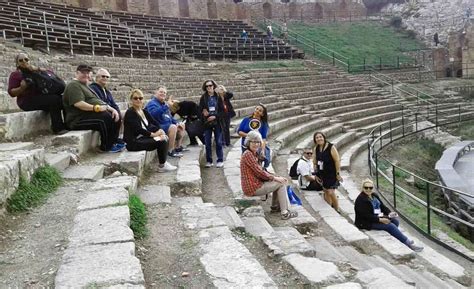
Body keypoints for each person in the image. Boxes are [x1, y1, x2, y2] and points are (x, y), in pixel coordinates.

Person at [63, 64, 124, 153]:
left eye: (88, 73)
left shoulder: (85, 86)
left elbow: (97, 100)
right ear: (77, 73)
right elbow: (78, 103)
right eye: (83, 73)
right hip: (76, 120)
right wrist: (96, 108)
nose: (86, 75)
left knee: (111, 115)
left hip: (85, 115)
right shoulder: (73, 85)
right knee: (104, 117)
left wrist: (112, 109)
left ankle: (113, 142)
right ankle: (106, 147)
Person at [240, 130, 298, 220]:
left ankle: (275, 207)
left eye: (258, 142)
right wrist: (275, 178)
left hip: (254, 184)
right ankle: (285, 212)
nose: (256, 144)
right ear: (248, 142)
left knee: (278, 180)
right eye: (253, 142)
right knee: (281, 183)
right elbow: (259, 172)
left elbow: (262, 170)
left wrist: (275, 177)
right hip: (252, 187)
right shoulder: (248, 154)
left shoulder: (253, 154)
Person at [354, 179, 423, 252]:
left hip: (377, 216)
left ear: (372, 188)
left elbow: (383, 207)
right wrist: (380, 220)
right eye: (366, 187)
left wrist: (389, 213)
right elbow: (366, 216)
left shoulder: (374, 195)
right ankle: (408, 244)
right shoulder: (360, 200)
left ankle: (399, 237)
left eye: (370, 187)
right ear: (362, 188)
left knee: (395, 221)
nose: (368, 189)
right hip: (366, 222)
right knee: (390, 226)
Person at [8, 52, 67, 135]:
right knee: (54, 100)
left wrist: (38, 69)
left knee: (64, 99)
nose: (24, 62)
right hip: (27, 101)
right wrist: (21, 88)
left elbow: (51, 75)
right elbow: (11, 92)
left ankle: (69, 124)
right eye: (21, 60)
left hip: (42, 96)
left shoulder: (36, 70)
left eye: (26, 59)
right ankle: (58, 128)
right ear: (17, 64)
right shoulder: (15, 75)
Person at [123, 89, 176, 173]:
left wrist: (160, 130)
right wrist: (154, 135)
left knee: (164, 137)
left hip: (143, 138)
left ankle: (163, 163)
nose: (138, 100)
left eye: (140, 98)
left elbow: (154, 122)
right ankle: (162, 166)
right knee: (161, 141)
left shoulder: (143, 111)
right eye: (135, 98)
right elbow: (138, 129)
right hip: (134, 142)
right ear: (131, 100)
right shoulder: (130, 112)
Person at [145, 86, 186, 158]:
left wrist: (177, 123)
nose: (163, 94)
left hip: (165, 125)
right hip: (157, 127)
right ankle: (170, 151)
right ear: (156, 93)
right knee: (173, 127)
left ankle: (178, 147)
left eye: (164, 93)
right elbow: (153, 115)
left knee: (181, 125)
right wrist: (167, 106)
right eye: (161, 92)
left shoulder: (164, 104)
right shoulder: (152, 103)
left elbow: (170, 117)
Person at [89, 68, 124, 144]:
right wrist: (113, 111)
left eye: (107, 77)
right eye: (103, 76)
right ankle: (109, 142)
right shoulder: (93, 88)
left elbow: (113, 103)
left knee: (119, 114)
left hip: (109, 110)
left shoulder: (106, 90)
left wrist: (117, 111)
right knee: (109, 116)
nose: (105, 78)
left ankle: (115, 138)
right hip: (100, 111)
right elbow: (99, 102)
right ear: (97, 77)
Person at [313, 131, 341, 211]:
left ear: (324, 138)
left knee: (331, 192)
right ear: (315, 140)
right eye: (317, 138)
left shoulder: (331, 147)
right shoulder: (316, 148)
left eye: (320, 137)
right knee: (325, 191)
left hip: (331, 173)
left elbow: (337, 160)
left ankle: (337, 209)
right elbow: (314, 162)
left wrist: (338, 173)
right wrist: (315, 174)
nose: (319, 139)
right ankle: (329, 208)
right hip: (322, 173)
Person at [199, 79, 224, 168]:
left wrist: (215, 116)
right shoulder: (203, 97)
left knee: (218, 141)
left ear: (214, 86)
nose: (209, 87)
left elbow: (222, 111)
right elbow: (200, 110)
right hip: (207, 122)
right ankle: (209, 161)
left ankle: (220, 160)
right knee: (207, 142)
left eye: (210, 85)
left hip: (217, 121)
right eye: (207, 86)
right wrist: (203, 113)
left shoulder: (218, 97)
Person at [238, 104, 271, 169]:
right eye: (257, 109)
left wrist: (262, 150)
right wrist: (250, 136)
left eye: (260, 110)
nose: (258, 111)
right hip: (246, 145)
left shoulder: (264, 124)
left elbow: (263, 138)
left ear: (262, 114)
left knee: (257, 166)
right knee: (246, 165)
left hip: (257, 146)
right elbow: (239, 132)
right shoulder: (246, 119)